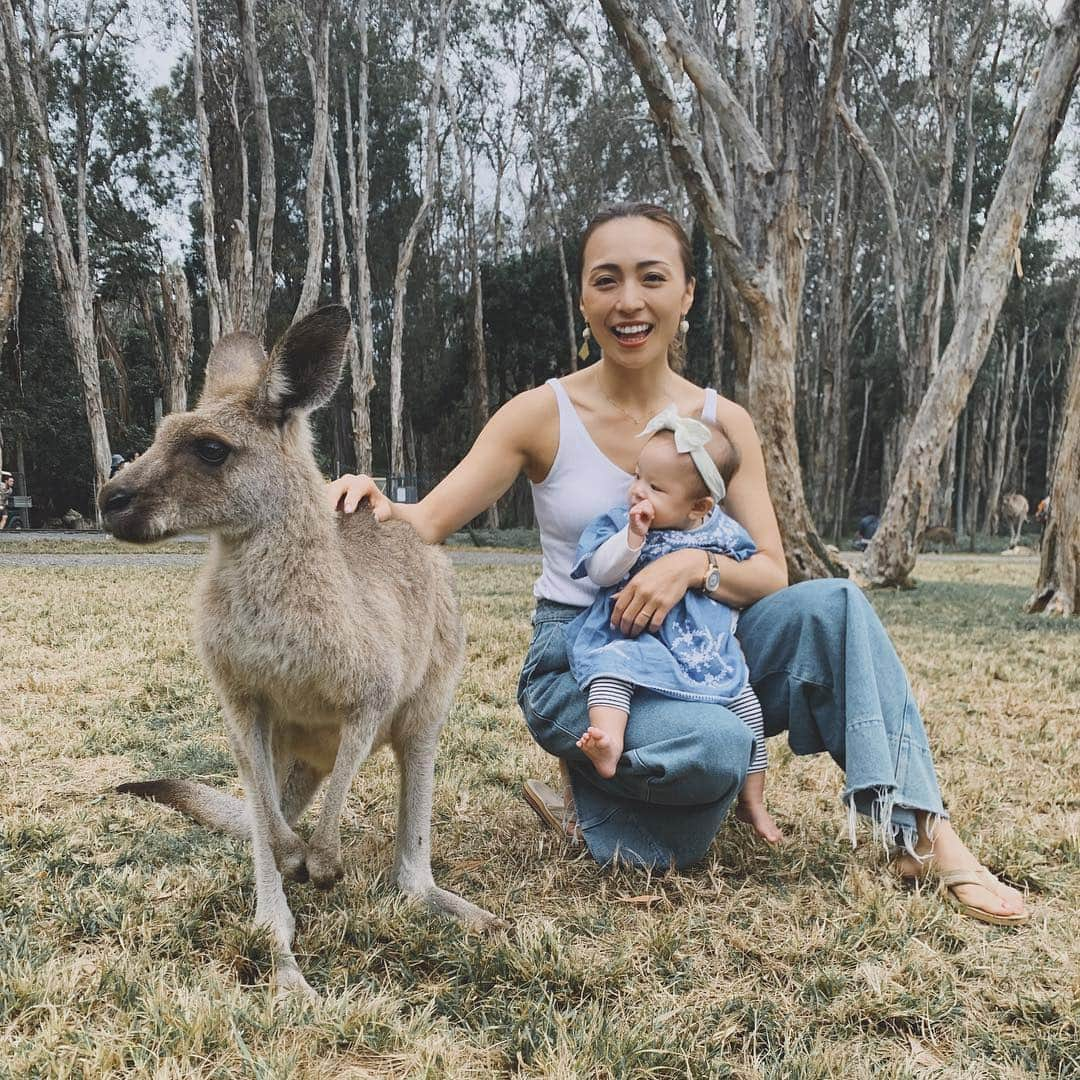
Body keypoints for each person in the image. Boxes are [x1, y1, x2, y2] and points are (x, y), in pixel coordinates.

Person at [328, 202, 1028, 925]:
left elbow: (769, 572)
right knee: (720, 752)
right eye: (607, 280)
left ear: (687, 294)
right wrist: (369, 497)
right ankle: (607, 775)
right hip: (584, 655)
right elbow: (427, 522)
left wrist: (692, 565)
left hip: (702, 641)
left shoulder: (724, 426)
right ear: (583, 297)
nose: (628, 301)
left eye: (651, 278)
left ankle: (922, 833)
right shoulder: (540, 414)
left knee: (836, 608)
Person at [568, 407, 781, 843]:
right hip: (634, 636)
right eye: (638, 476)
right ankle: (608, 740)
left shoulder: (723, 533)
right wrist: (631, 541)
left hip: (704, 645)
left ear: (699, 506)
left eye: (655, 487)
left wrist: (701, 569)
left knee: (748, 708)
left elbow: (757, 573)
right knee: (611, 672)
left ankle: (753, 801)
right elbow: (601, 571)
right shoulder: (622, 523)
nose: (637, 492)